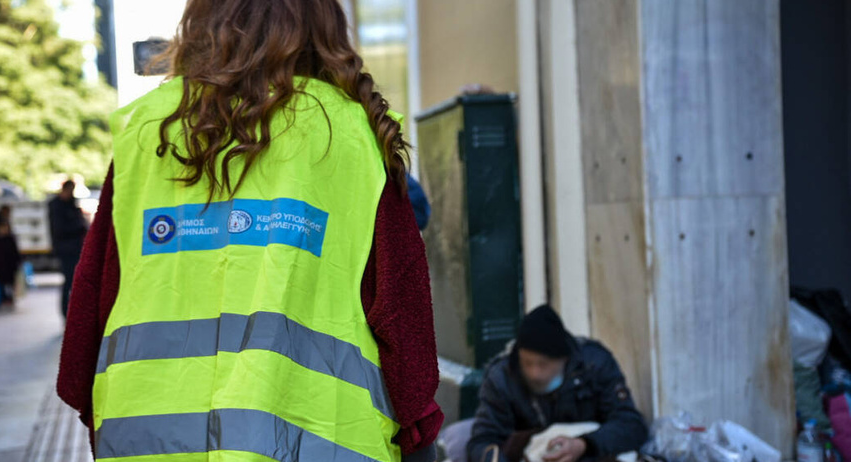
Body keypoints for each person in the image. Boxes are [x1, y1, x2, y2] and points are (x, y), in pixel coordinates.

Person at [56, 1, 443, 461]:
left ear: (203, 25)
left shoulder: (148, 133)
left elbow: (84, 333)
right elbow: (407, 336)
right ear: (322, 28)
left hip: (148, 443)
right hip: (323, 441)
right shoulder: (353, 138)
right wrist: (419, 435)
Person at [466, 305, 648, 462]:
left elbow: (631, 425)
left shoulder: (594, 365)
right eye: (527, 363)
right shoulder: (502, 378)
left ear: (564, 360)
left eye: (543, 364)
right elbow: (482, 440)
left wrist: (584, 444)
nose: (535, 373)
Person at [48, 180, 87, 318]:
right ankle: (67, 313)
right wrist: (78, 228)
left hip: (74, 248)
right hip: (66, 249)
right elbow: (59, 229)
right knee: (69, 281)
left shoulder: (71, 204)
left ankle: (73, 312)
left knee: (76, 281)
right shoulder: (57, 206)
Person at [0, 218, 20, 307]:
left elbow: (15, 252)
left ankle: (10, 298)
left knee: (10, 283)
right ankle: (3, 298)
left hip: (10, 266)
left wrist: (18, 263)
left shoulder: (11, 238)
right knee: (1, 283)